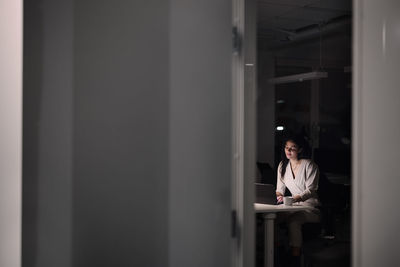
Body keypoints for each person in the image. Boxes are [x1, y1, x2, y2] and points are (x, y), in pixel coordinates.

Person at [275, 135, 321, 266]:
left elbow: (310, 190)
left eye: (292, 148)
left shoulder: (309, 165)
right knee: (273, 218)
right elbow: (280, 189)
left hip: (311, 208)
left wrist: (292, 199)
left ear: (300, 149)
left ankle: (295, 258)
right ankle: (278, 252)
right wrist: (279, 196)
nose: (288, 151)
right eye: (286, 147)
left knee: (294, 220)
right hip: (293, 206)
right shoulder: (283, 165)